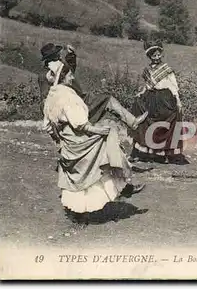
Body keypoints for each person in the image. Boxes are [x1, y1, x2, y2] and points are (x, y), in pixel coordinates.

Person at [42, 59, 145, 228]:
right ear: (63, 77)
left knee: (78, 176)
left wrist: (59, 140)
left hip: (69, 143)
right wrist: (102, 131)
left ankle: (80, 213)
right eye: (69, 74)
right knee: (103, 152)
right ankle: (123, 185)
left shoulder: (52, 95)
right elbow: (81, 124)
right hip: (79, 140)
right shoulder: (68, 97)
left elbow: (47, 125)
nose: (72, 77)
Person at [38, 43, 148, 143]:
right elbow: (46, 98)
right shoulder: (45, 75)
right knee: (106, 102)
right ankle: (131, 123)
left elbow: (69, 71)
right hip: (70, 107)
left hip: (81, 99)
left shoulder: (59, 66)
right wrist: (53, 122)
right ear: (52, 57)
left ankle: (132, 122)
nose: (60, 55)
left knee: (107, 99)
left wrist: (71, 55)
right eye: (57, 54)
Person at [129, 41, 188, 165]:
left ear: (161, 54)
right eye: (153, 56)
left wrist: (177, 100)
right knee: (140, 116)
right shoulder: (147, 70)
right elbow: (147, 86)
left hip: (164, 98)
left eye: (158, 55)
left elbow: (173, 86)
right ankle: (139, 151)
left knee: (166, 123)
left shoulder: (166, 69)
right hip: (151, 97)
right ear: (149, 57)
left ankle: (165, 153)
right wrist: (141, 93)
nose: (156, 58)